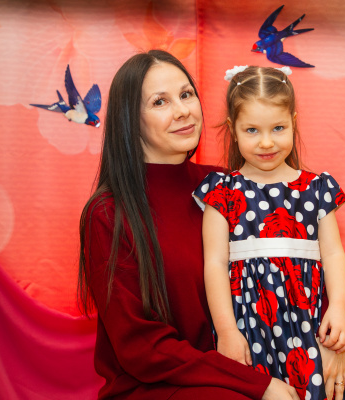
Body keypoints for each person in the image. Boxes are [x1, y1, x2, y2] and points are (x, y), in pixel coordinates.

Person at [78, 50, 305, 400]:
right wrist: (255, 385)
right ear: (129, 120)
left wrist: (327, 346)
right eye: (160, 102)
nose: (183, 110)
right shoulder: (108, 214)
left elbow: (294, 274)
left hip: (244, 369)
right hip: (155, 387)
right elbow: (142, 348)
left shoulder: (226, 187)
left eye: (186, 94)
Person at [193, 66, 345, 400]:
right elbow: (215, 264)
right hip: (246, 332)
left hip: (306, 331)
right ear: (233, 130)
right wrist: (226, 331)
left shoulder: (317, 189)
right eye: (252, 130)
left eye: (278, 128)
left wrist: (339, 308)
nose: (266, 142)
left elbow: (333, 254)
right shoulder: (222, 192)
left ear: (294, 122)